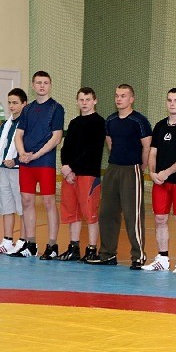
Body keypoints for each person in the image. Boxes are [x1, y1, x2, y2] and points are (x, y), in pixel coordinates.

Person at [88, 84, 152, 268]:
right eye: (117, 95)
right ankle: (107, 254)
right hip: (113, 169)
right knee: (107, 213)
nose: (119, 99)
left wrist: (140, 167)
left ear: (131, 99)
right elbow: (110, 144)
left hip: (132, 170)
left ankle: (138, 256)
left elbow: (147, 147)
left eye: (123, 96)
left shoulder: (139, 121)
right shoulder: (110, 120)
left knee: (133, 215)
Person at [11, 71, 64, 259]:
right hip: (26, 162)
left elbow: (56, 137)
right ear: (33, 85)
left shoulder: (56, 108)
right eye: (39, 82)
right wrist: (22, 153)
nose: (42, 86)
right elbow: (19, 134)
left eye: (45, 82)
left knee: (49, 202)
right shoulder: (27, 109)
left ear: (50, 85)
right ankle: (31, 244)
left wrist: (36, 155)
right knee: (26, 201)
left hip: (44, 162)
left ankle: (52, 245)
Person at [140, 88, 176, 271]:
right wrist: (153, 173)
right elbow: (153, 152)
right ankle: (162, 258)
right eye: (169, 100)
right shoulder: (160, 125)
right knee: (160, 219)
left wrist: (167, 172)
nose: (172, 103)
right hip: (160, 182)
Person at [56, 87, 106, 262]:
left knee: (90, 213)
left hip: (88, 174)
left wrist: (72, 167)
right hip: (70, 175)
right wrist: (65, 167)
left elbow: (92, 150)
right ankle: (74, 248)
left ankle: (92, 249)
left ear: (95, 101)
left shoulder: (99, 123)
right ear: (77, 101)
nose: (84, 103)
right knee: (72, 212)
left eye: (88, 99)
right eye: (81, 100)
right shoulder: (74, 122)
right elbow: (66, 148)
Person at [0, 88, 28, 255]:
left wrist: (16, 161)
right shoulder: (6, 124)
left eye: (15, 102)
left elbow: (28, 148)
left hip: (19, 169)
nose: (11, 106)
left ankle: (23, 240)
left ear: (24, 104)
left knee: (22, 206)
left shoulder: (27, 124)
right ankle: (7, 240)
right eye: (9, 102)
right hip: (3, 169)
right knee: (6, 205)